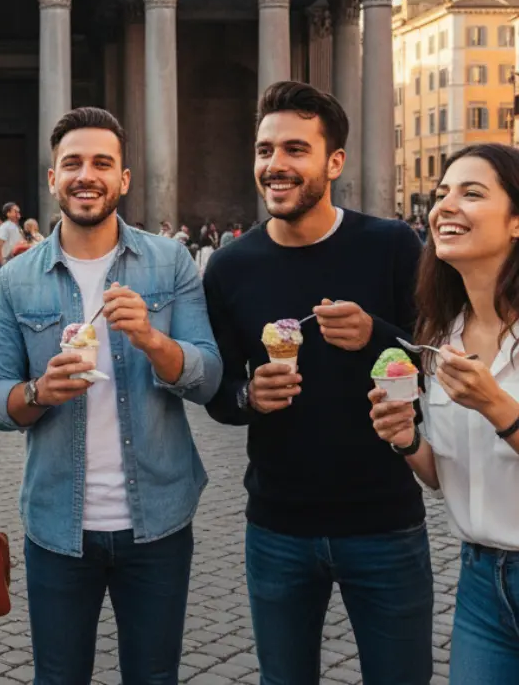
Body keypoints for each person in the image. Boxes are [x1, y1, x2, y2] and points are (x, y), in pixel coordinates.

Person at [203, 81, 433, 684]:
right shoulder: (230, 266)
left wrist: (376, 334)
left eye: (295, 150)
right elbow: (220, 394)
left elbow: (434, 363)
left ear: (334, 162)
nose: (275, 165)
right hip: (277, 525)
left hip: (384, 522)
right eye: (264, 150)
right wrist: (248, 397)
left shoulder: (391, 246)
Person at [0, 107, 221, 684]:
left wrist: (150, 338)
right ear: (52, 178)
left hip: (159, 521)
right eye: (72, 163)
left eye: (101, 163)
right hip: (57, 525)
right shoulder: (16, 279)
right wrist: (40, 391)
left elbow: (209, 377)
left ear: (124, 179)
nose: (85, 175)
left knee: (154, 677)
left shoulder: (169, 263)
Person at [369, 143, 519, 683]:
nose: (444, 206)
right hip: (480, 582)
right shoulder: (439, 335)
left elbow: (499, 420)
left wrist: (498, 406)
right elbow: (446, 476)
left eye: (471, 193)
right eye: (441, 194)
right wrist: (407, 439)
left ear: (517, 221)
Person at [0, 201, 24, 265]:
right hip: (10, 261)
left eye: (18, 211)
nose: (18, 213)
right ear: (8, 213)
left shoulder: (18, 227)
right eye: (15, 211)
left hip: (18, 260)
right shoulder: (5, 226)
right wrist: (2, 262)